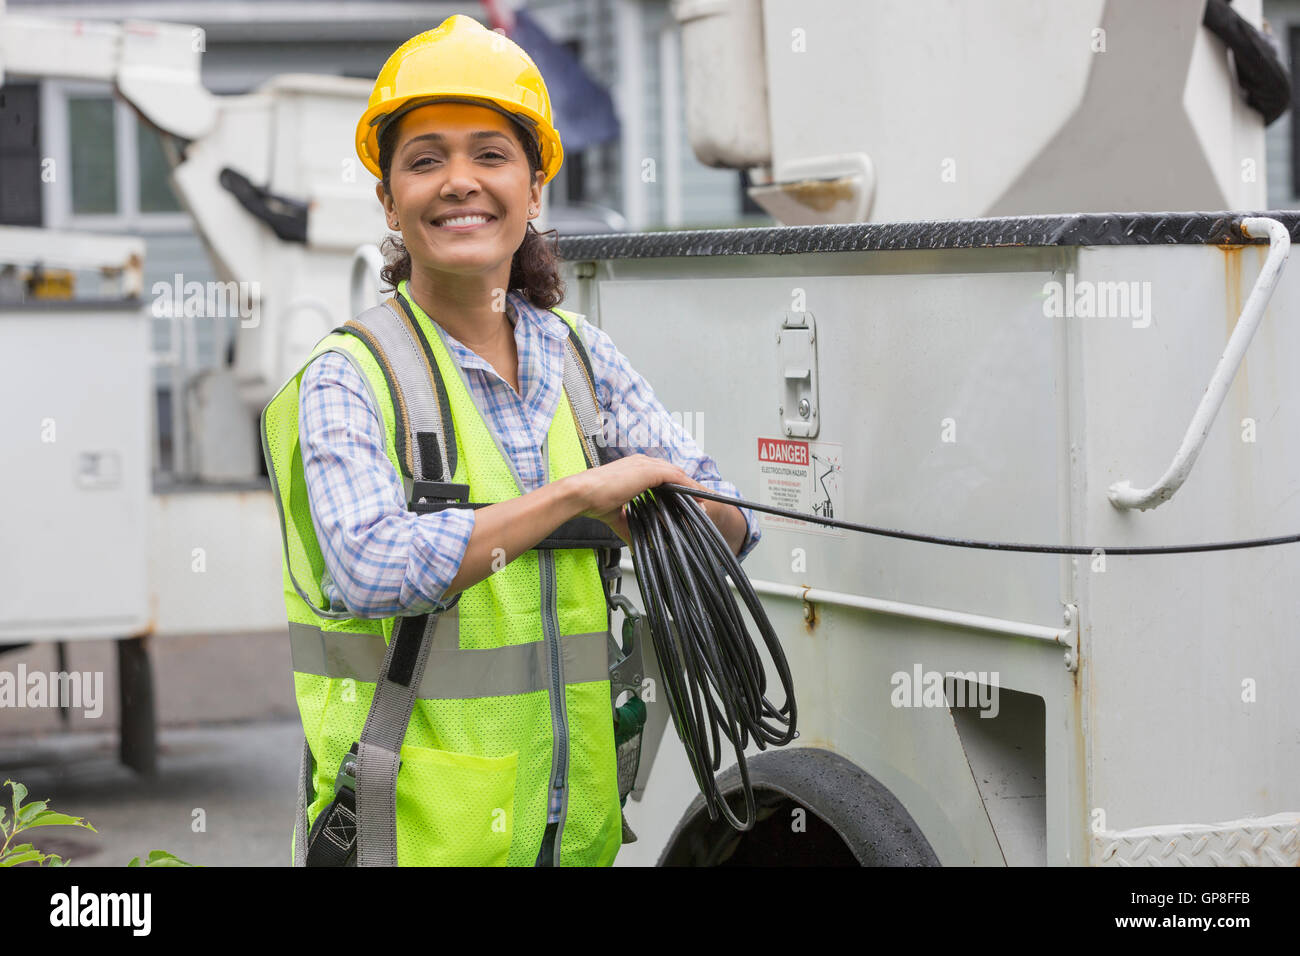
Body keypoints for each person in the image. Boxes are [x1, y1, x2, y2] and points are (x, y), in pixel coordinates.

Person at [260, 14, 759, 868]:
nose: (460, 182)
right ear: (389, 200)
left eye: (490, 155)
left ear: (533, 191)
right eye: (426, 160)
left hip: (576, 838)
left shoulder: (579, 355)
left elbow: (728, 522)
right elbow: (373, 566)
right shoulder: (352, 374)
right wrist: (578, 501)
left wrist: (675, 518)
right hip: (410, 840)